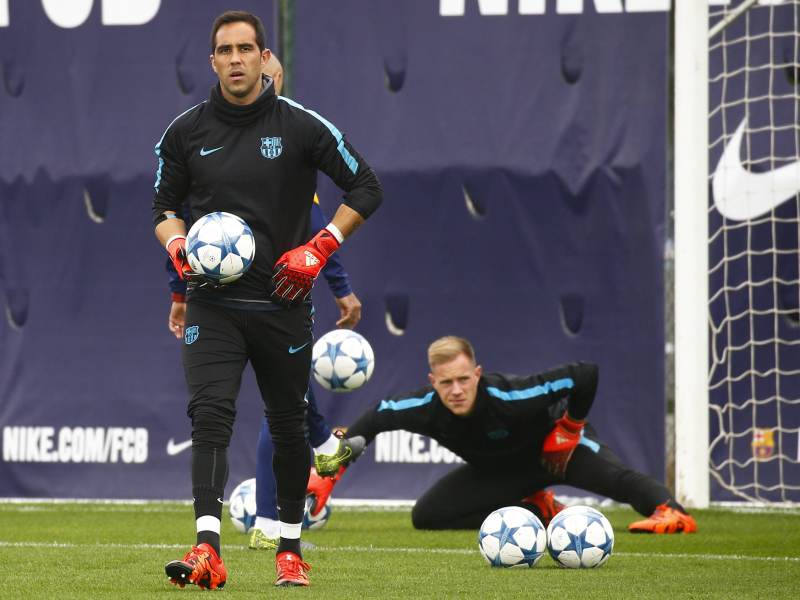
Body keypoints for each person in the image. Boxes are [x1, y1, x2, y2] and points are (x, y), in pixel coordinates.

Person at [152, 10, 382, 589]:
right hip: (213, 305)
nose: (235, 58)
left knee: (285, 427)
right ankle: (207, 548)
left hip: (283, 304)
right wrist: (178, 244)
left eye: (245, 48)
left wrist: (320, 247)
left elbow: (367, 186)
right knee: (210, 419)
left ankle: (289, 547)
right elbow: (163, 209)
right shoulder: (185, 131)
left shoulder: (301, 125)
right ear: (213, 61)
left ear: (263, 59)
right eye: (224, 50)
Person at [309, 336, 697, 535]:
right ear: (433, 382)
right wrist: (329, 474)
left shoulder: (511, 395)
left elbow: (585, 373)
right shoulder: (423, 406)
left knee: (617, 479)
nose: (456, 390)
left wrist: (571, 427)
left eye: (464, 379)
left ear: (477, 375)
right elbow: (373, 419)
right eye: (447, 383)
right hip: (507, 474)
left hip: (557, 452)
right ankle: (538, 510)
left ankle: (672, 513)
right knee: (426, 516)